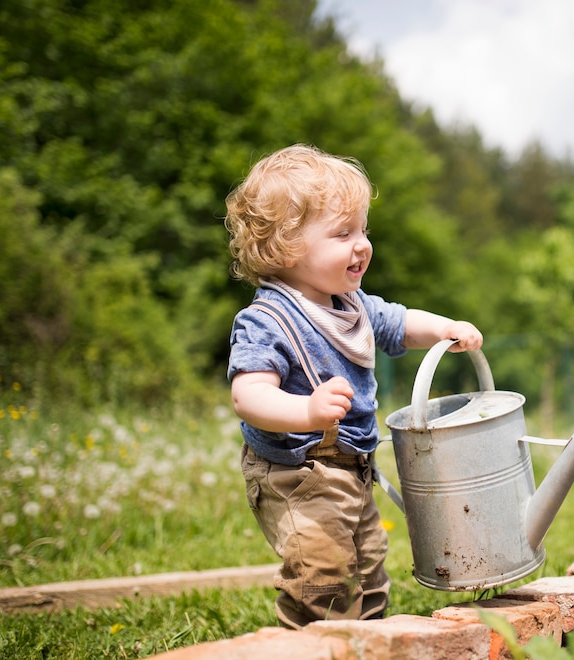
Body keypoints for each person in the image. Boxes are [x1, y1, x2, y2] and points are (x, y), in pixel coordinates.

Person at [224, 144, 483, 629]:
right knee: (323, 578)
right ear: (285, 246)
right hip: (296, 474)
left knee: (367, 571)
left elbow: (402, 323)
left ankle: (367, 640)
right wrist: (306, 411)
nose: (361, 243)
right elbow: (248, 395)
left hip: (352, 471)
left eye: (363, 229)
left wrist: (445, 328)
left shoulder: (352, 304)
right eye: (342, 233)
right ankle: (314, 644)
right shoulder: (267, 320)